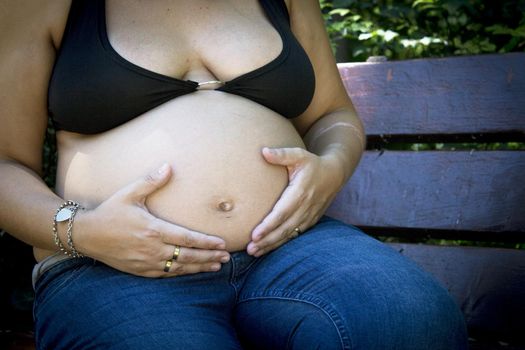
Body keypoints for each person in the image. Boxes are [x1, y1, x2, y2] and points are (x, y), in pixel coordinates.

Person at [0, 0, 467, 349]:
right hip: (113, 267)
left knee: (410, 319)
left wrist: (331, 168)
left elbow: (333, 114)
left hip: (288, 247)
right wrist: (83, 231)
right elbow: (5, 162)